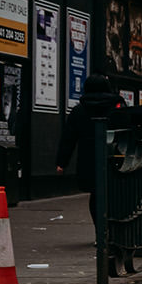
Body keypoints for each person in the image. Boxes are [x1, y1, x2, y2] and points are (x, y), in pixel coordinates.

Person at [55, 75, 124, 223]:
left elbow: (69, 138)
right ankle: (112, 230)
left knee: (95, 194)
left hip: (88, 159)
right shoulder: (117, 107)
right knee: (115, 193)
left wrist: (62, 162)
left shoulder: (79, 110)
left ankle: (99, 231)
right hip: (115, 156)